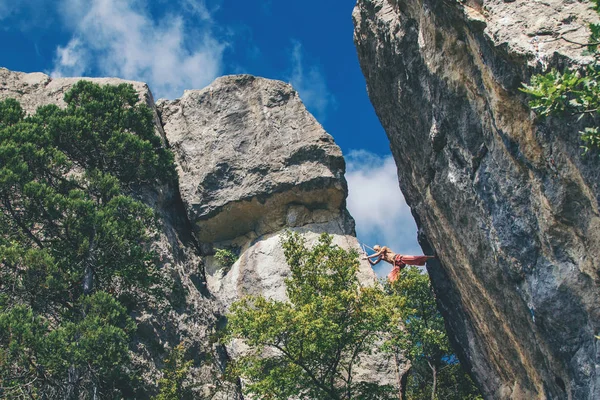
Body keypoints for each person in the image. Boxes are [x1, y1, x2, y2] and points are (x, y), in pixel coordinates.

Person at [365, 245, 434, 282]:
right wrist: (368, 259)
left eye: (377, 249)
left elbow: (379, 253)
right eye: (375, 250)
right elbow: (374, 263)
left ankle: (431, 257)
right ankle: (395, 286)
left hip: (399, 258)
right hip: (396, 264)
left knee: (414, 258)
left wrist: (368, 256)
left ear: (379, 247)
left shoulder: (384, 248)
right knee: (391, 277)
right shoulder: (381, 257)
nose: (377, 250)